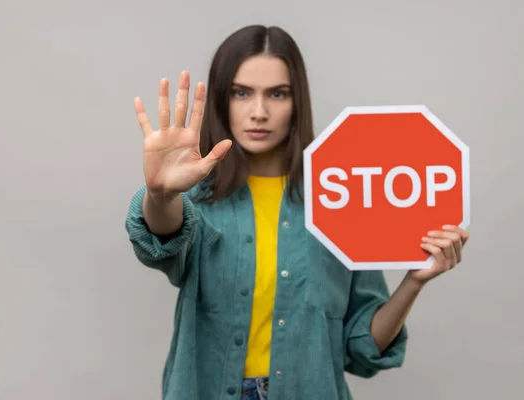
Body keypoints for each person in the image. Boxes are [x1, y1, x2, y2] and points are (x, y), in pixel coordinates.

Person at [125, 24, 469, 400]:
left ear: (297, 101)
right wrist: (159, 194)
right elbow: (162, 239)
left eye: (277, 93)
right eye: (242, 93)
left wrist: (414, 280)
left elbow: (362, 347)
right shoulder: (194, 197)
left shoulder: (344, 195)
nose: (259, 112)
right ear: (223, 99)